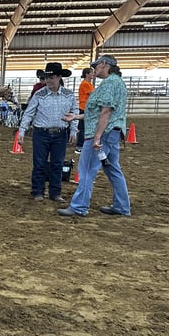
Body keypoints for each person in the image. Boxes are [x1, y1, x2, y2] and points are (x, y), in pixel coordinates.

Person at [58, 55, 130, 217]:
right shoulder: (117, 83)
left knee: (86, 169)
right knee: (112, 169)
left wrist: (97, 137)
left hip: (101, 133)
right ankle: (122, 206)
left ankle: (79, 206)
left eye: (96, 66)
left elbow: (106, 111)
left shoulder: (109, 84)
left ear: (104, 64)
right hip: (113, 132)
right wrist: (76, 117)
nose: (94, 69)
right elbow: (98, 111)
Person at [17, 62, 78, 202]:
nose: (49, 80)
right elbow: (29, 113)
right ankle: (37, 191)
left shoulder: (69, 95)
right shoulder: (39, 94)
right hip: (41, 133)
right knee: (39, 163)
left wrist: (73, 130)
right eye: (47, 77)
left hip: (61, 133)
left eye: (52, 77)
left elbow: (74, 113)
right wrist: (22, 131)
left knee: (58, 164)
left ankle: (55, 193)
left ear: (59, 77)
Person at [75, 68, 95, 154]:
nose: (93, 75)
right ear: (87, 74)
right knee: (82, 128)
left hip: (86, 107)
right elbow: (93, 94)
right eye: (92, 73)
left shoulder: (88, 84)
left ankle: (82, 145)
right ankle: (79, 146)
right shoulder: (86, 84)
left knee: (84, 127)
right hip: (84, 107)